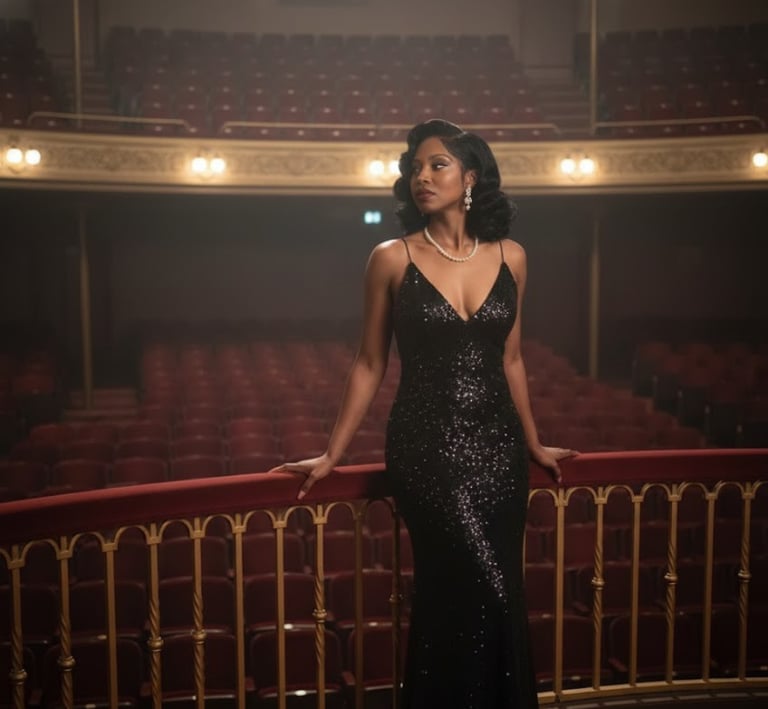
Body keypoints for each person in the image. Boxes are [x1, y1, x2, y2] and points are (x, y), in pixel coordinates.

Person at [275, 118, 576, 708]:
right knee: (478, 587)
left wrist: (535, 445)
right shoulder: (391, 258)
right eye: (414, 167)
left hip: (500, 451)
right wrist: (332, 452)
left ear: (470, 178)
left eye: (436, 165)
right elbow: (368, 363)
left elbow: (512, 360)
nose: (421, 176)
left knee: (489, 593)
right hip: (427, 449)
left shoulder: (512, 257)